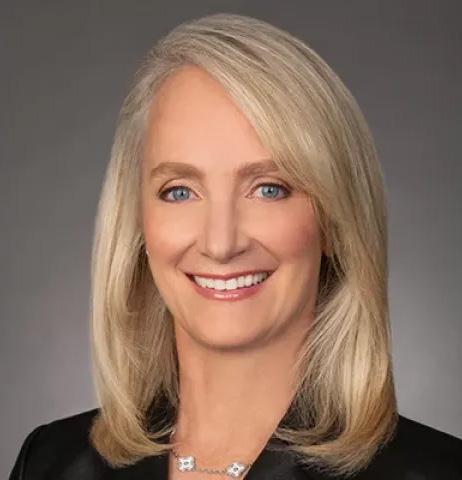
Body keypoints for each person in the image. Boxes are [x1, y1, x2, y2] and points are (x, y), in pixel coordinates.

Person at [9, 12, 462, 480]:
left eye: (268, 188)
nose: (221, 243)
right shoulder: (49, 464)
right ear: (138, 224)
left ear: (333, 220)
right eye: (179, 191)